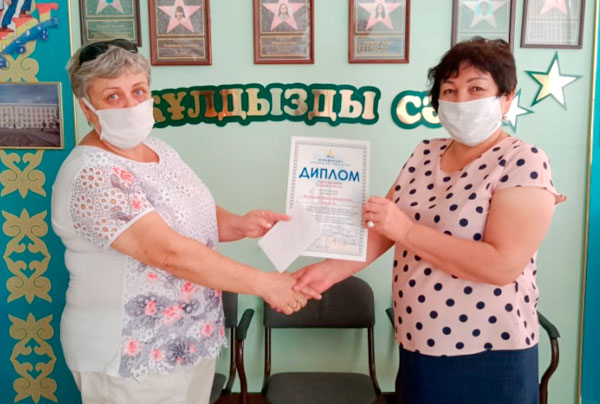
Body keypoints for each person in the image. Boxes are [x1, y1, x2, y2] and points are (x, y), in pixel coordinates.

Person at [294, 37, 565, 404]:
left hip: (489, 350)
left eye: (476, 89)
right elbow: (383, 230)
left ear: (506, 98)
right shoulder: (424, 153)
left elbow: (502, 265)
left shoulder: (524, 160)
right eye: (449, 90)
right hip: (419, 341)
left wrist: (406, 230)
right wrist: (325, 273)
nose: (461, 100)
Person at [51, 39, 319, 404]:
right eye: (112, 96)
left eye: (138, 91)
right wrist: (266, 284)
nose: (130, 105)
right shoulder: (93, 174)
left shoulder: (158, 150)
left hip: (187, 340)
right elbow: (166, 252)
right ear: (87, 108)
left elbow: (192, 213)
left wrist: (239, 224)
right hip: (131, 354)